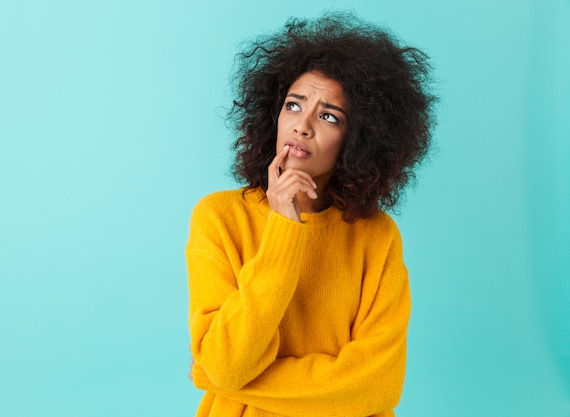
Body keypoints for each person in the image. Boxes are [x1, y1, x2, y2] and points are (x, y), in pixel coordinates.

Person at [186, 12, 436, 417]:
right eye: (293, 105)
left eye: (328, 116)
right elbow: (225, 364)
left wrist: (221, 378)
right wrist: (284, 228)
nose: (302, 126)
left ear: (358, 138)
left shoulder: (376, 235)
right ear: (273, 115)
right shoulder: (219, 217)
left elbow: (376, 386)